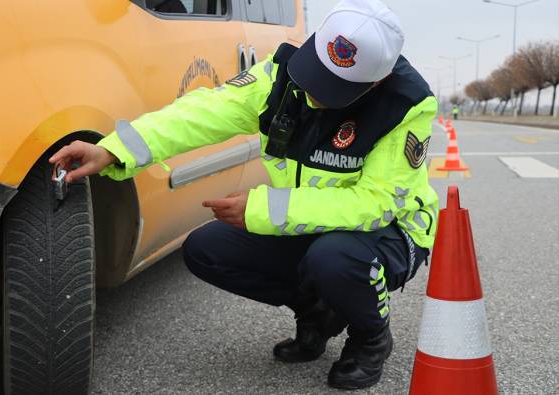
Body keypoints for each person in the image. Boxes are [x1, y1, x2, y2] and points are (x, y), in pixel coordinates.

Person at [49, 0, 438, 389]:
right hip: (309, 221)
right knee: (206, 250)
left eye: (331, 89)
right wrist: (114, 149)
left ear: (375, 82)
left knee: (335, 258)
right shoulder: (283, 74)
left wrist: (262, 208)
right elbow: (203, 113)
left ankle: (371, 337)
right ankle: (317, 311)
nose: (314, 94)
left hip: (387, 232)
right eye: (315, 75)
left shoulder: (405, 106)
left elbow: (374, 204)